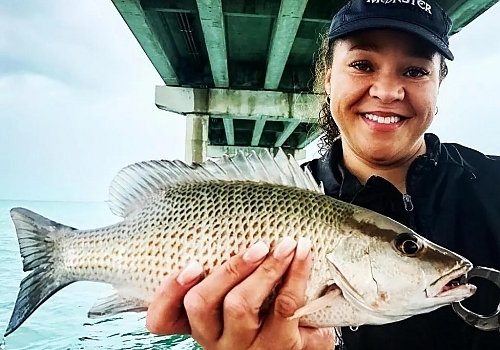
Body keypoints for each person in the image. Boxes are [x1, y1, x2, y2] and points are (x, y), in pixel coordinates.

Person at [144, 0, 500, 348]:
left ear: (439, 87)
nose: (387, 91)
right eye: (362, 64)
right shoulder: (292, 195)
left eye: (416, 71)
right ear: (328, 80)